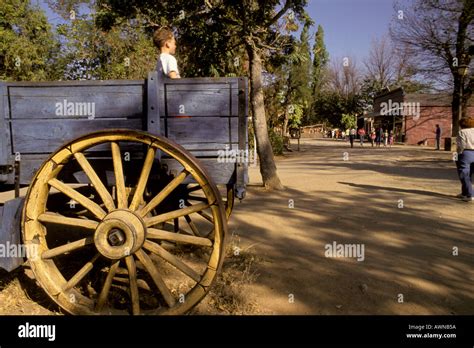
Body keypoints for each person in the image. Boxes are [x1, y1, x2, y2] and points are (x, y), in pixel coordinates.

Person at [455, 117, 474, 202]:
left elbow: (461, 145)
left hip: (466, 153)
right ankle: (464, 193)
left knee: (464, 174)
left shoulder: (462, 132)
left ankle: (470, 194)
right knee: (469, 174)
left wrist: (456, 155)